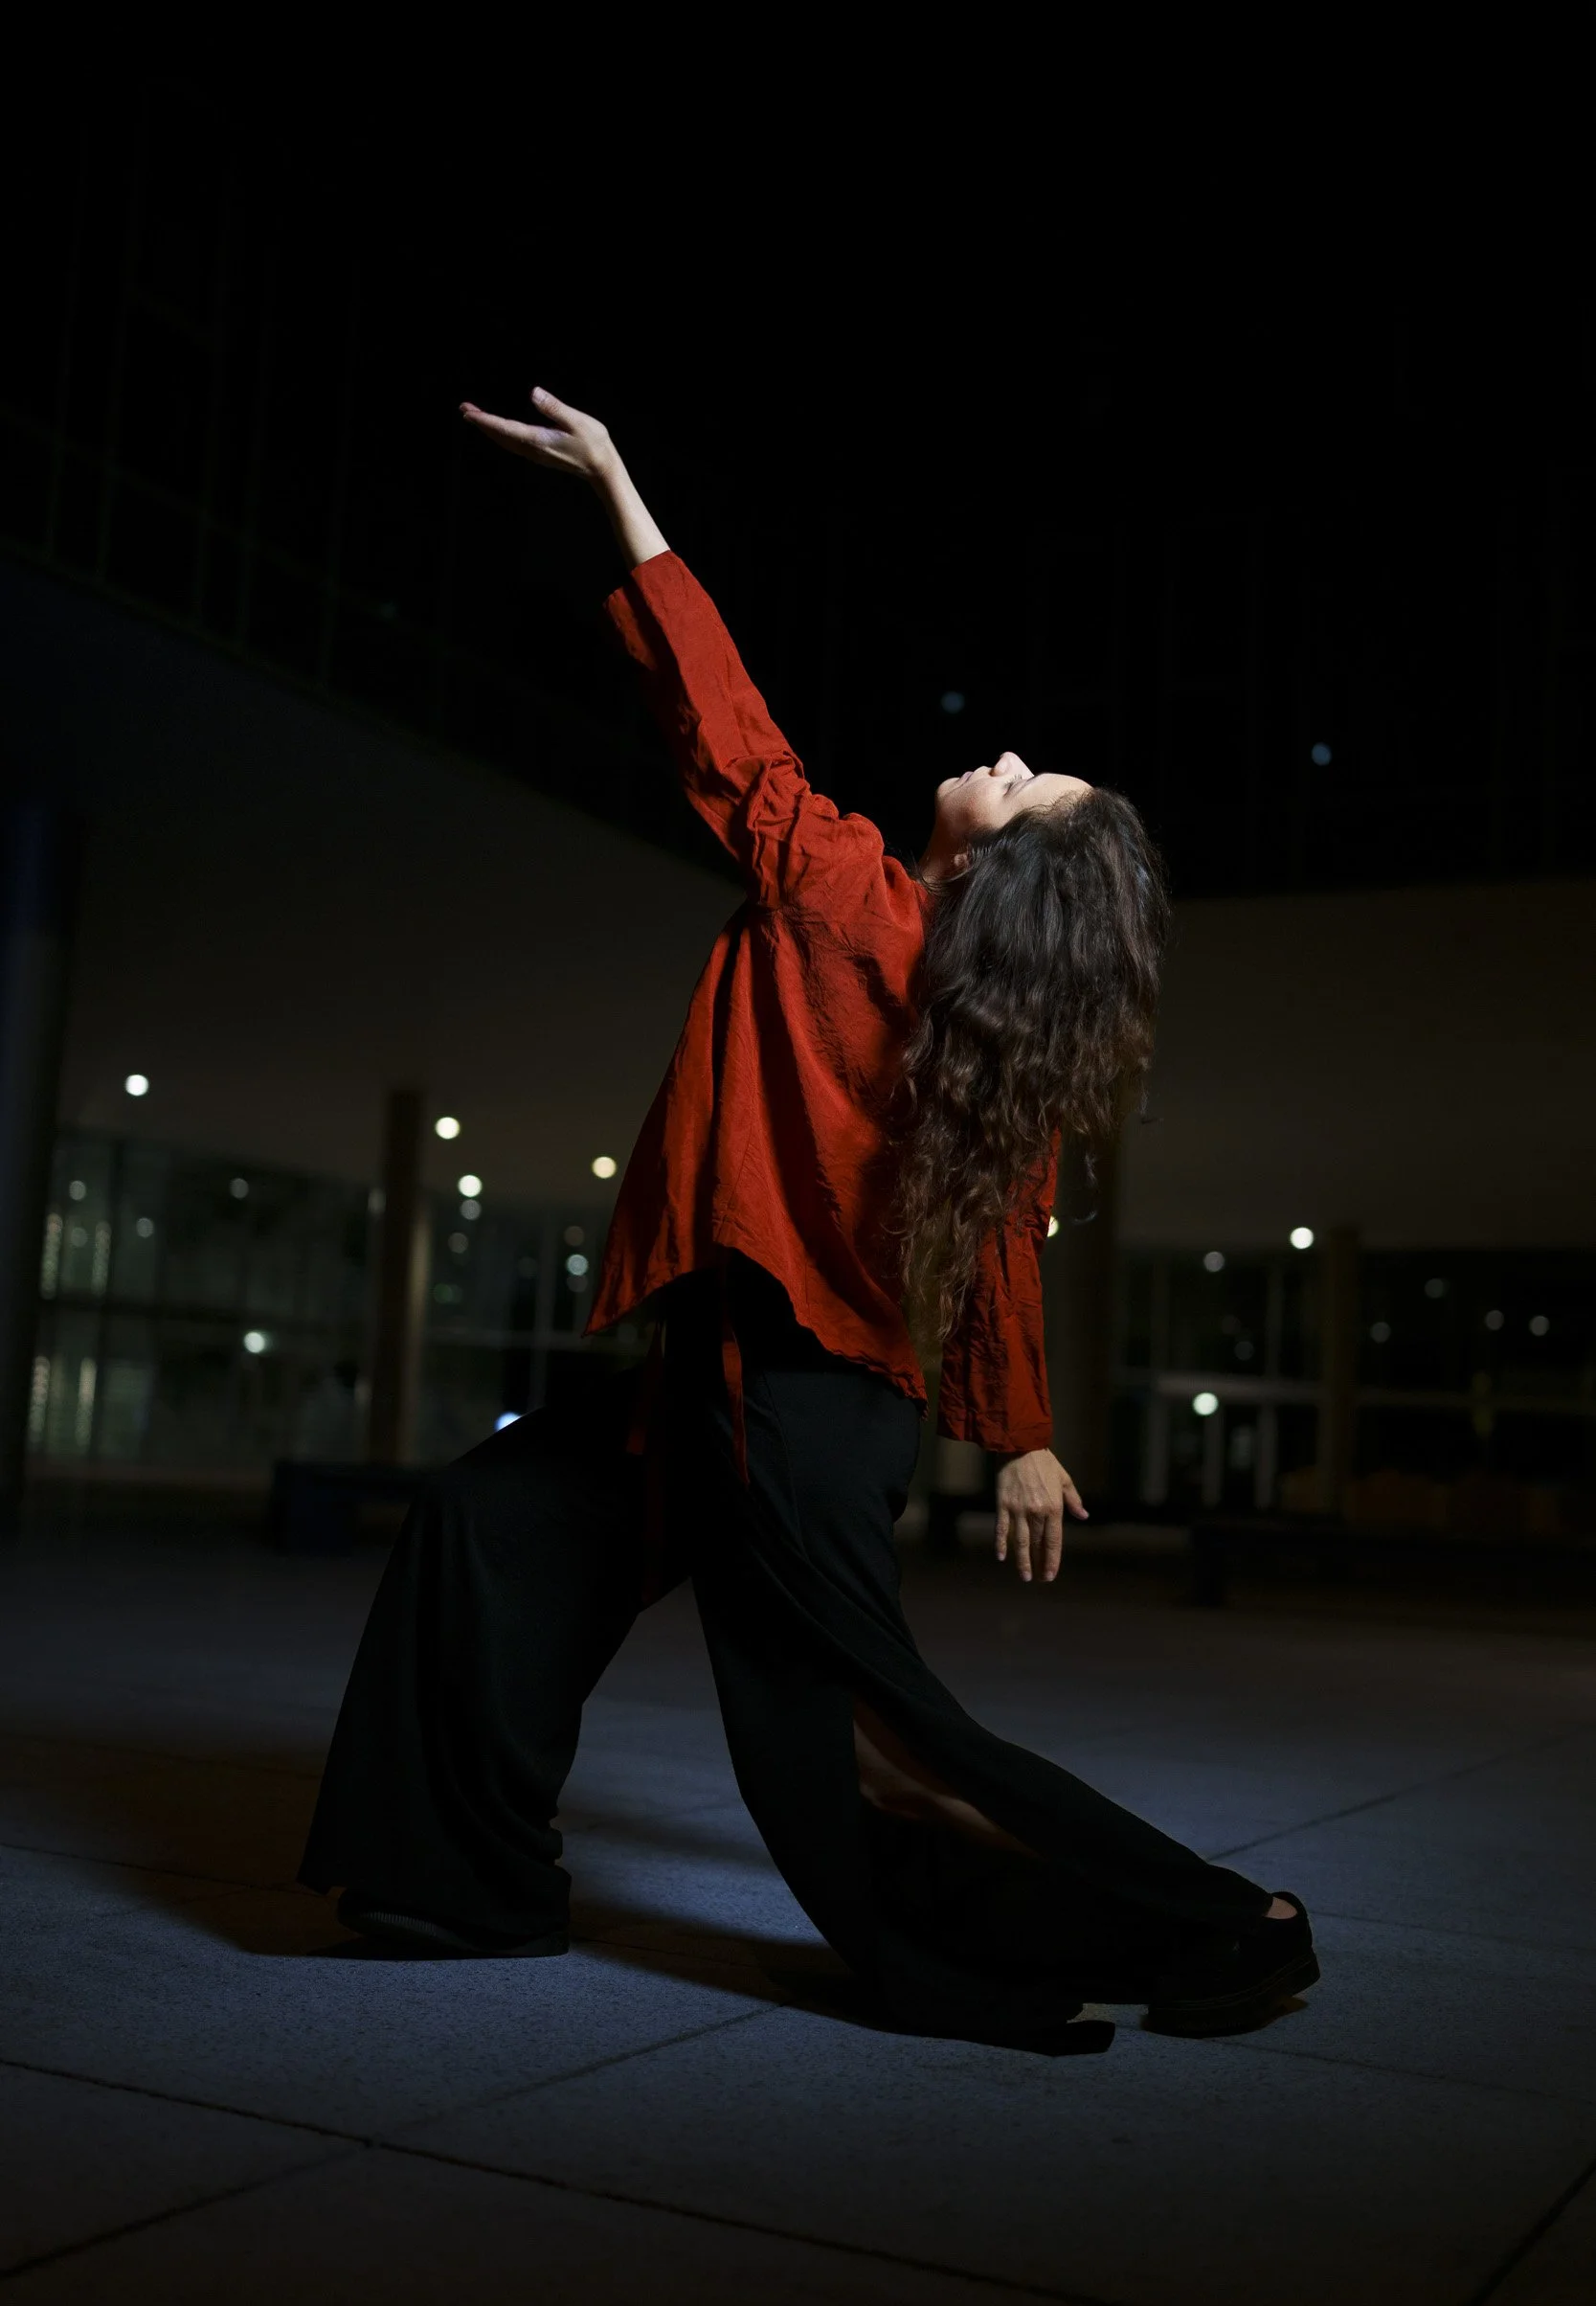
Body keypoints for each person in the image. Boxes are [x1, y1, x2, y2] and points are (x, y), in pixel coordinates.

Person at [300, 389, 1317, 2052]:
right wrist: (1020, 1439)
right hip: (744, 1396)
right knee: (494, 1525)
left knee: (852, 1736)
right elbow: (995, 1242)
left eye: (1021, 784)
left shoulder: (850, 890)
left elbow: (722, 723)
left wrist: (622, 491)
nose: (997, 754)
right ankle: (464, 1880)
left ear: (1006, 876)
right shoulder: (974, 1031)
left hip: (783, 1412)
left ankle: (1223, 1925)